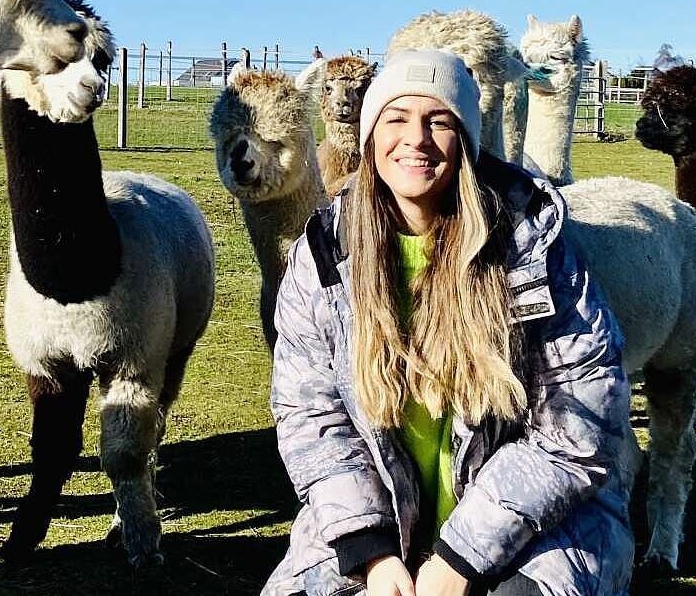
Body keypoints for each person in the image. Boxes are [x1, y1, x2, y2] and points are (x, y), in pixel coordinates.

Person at [263, 49, 637, 596]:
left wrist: (460, 558)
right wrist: (370, 552)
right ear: (370, 138)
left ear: (465, 139)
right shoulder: (323, 259)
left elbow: (580, 421)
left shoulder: (531, 248)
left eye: (439, 121)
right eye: (395, 118)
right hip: (382, 521)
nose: (415, 138)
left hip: (536, 525)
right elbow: (311, 414)